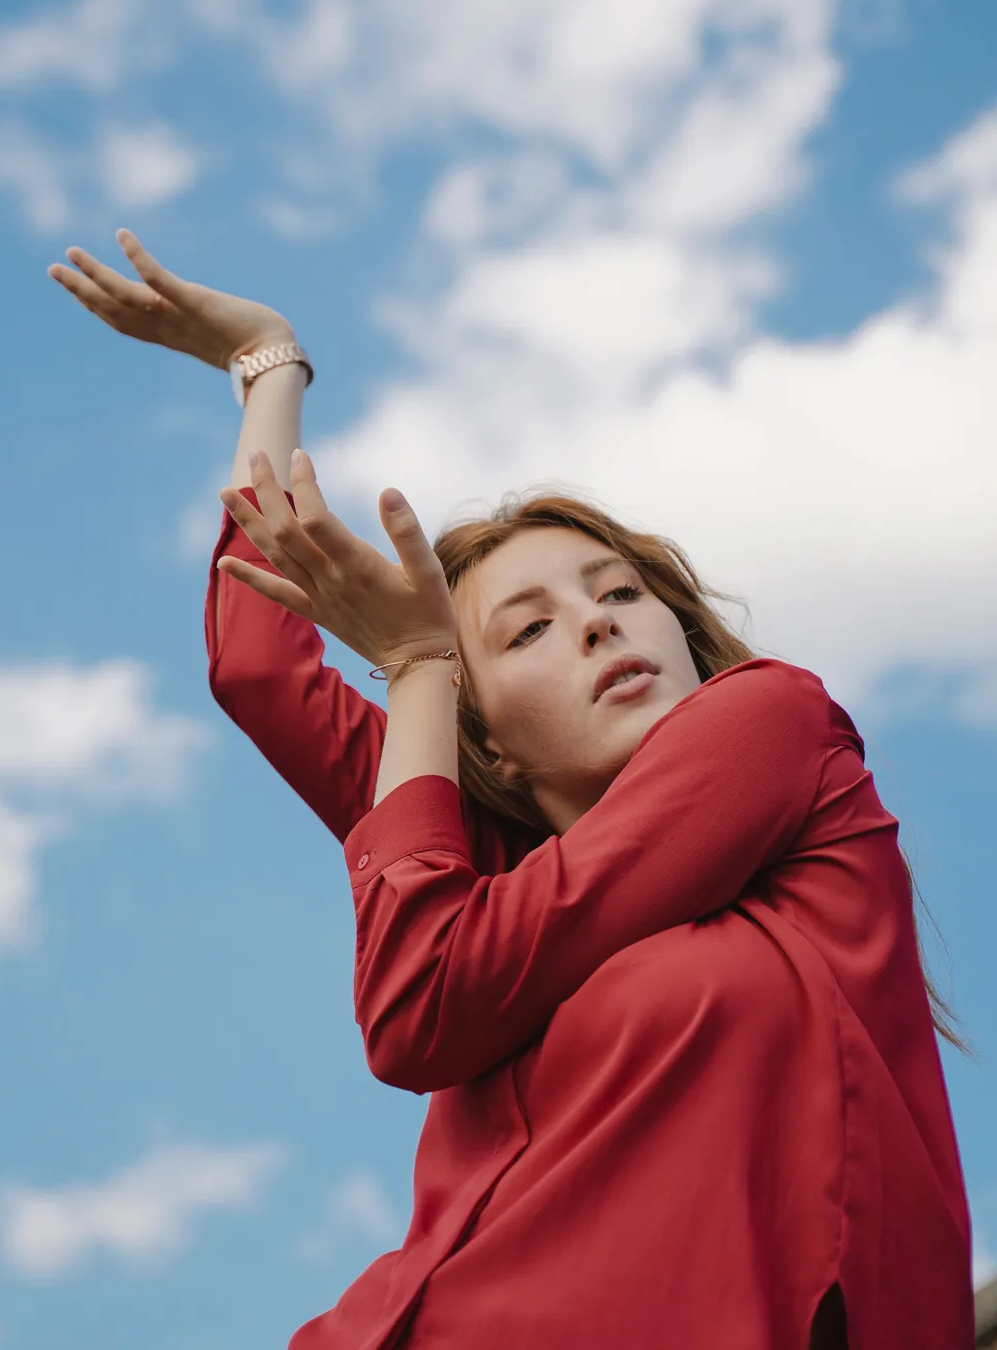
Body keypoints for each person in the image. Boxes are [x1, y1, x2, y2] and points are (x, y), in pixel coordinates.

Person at [50, 233, 975, 1350]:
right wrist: (266, 362)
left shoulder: (774, 726)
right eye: (527, 628)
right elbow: (260, 667)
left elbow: (421, 1010)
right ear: (484, 741)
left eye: (621, 593)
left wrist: (424, 663)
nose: (596, 621)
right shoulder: (474, 854)